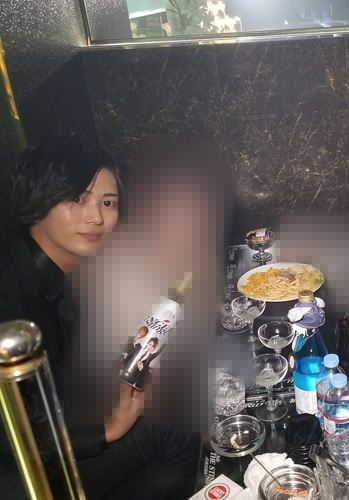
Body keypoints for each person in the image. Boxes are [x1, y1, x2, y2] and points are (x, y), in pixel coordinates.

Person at [0, 136, 200, 500]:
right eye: (77, 198)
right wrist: (106, 430)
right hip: (19, 475)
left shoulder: (57, 275)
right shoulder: (9, 290)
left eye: (108, 203)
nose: (96, 217)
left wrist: (126, 378)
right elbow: (10, 428)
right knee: (174, 429)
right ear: (36, 199)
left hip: (51, 441)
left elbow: (67, 374)